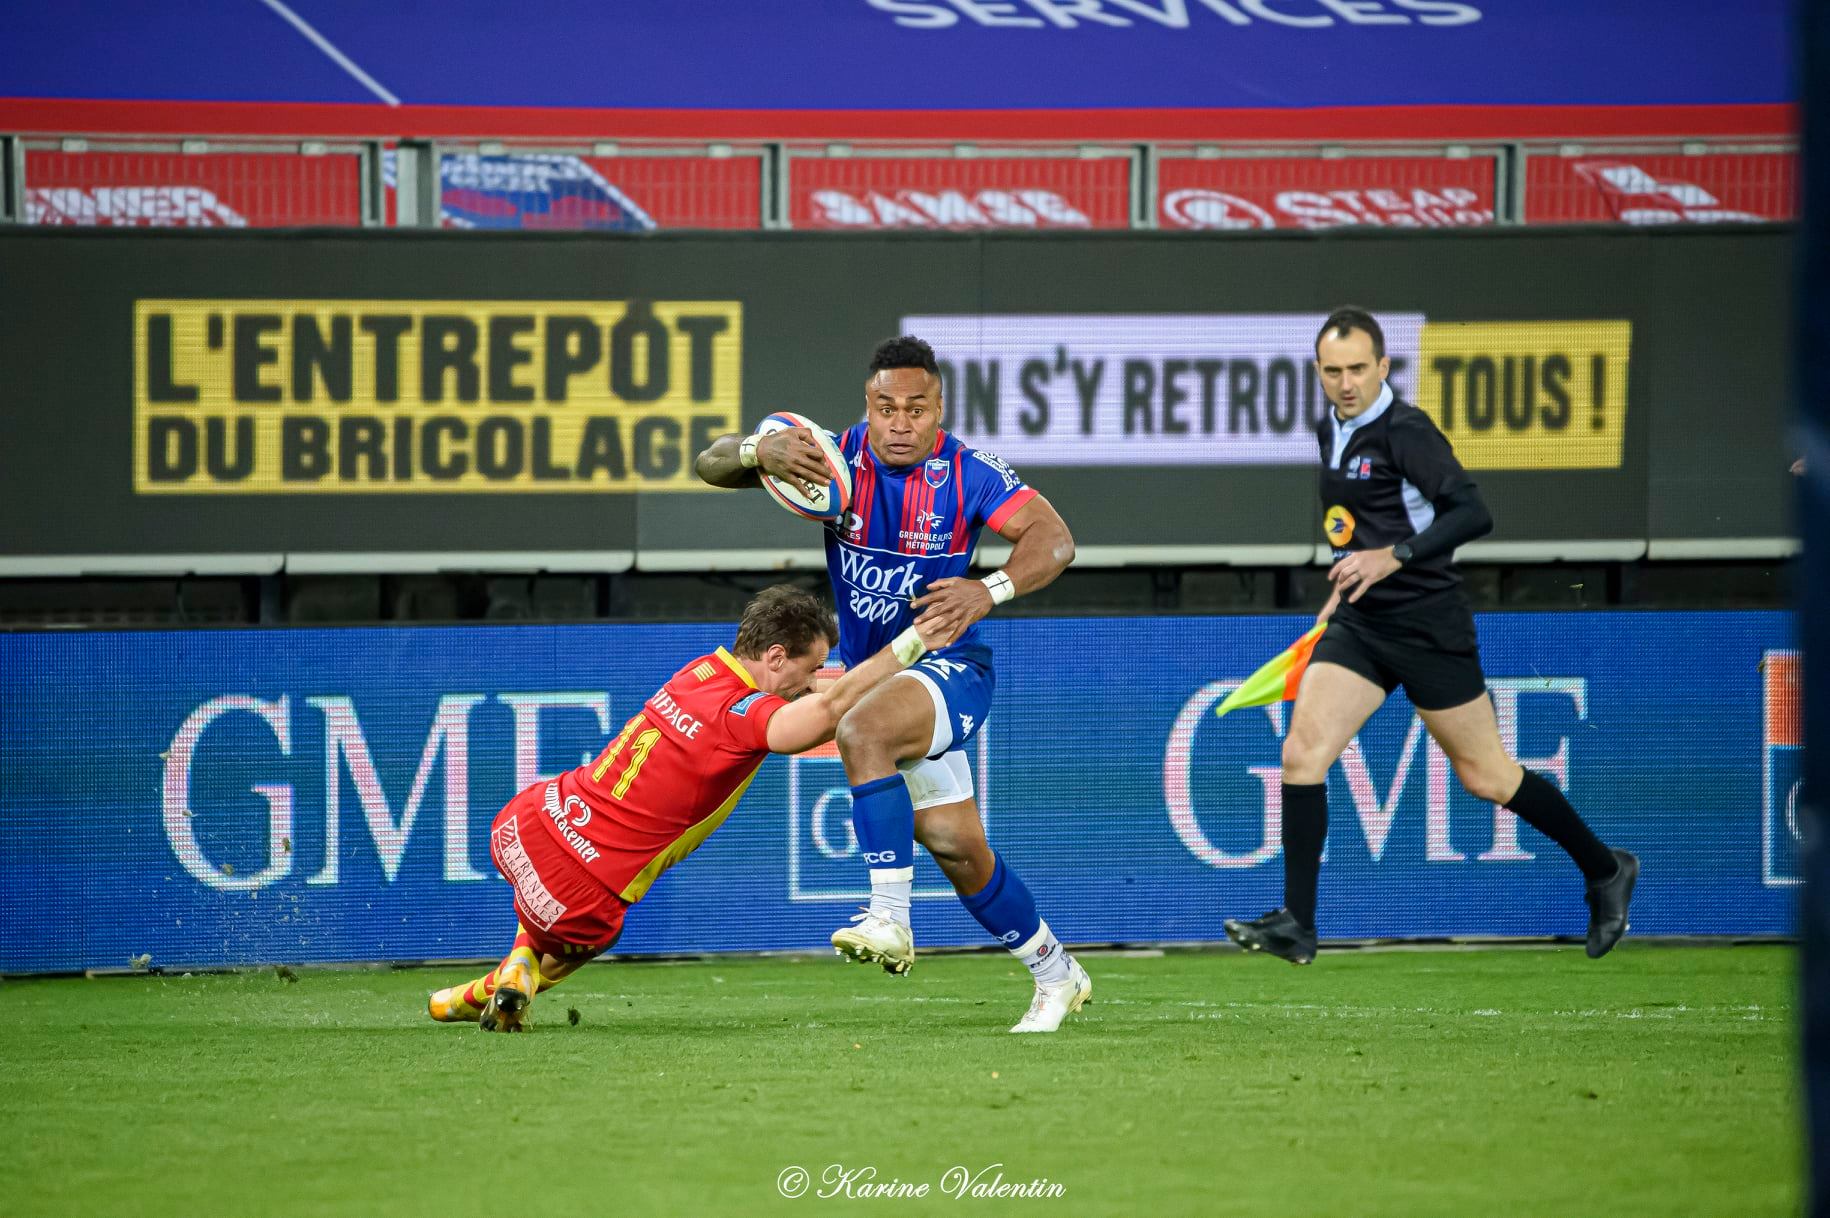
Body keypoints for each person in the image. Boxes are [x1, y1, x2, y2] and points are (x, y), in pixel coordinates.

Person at [694, 336, 1090, 1033]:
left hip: (949, 670)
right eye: (886, 408)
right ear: (867, 410)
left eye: (916, 408)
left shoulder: (968, 473)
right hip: (883, 670)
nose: (900, 422)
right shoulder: (831, 459)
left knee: (861, 728)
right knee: (954, 847)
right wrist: (760, 452)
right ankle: (1058, 975)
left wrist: (988, 589)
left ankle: (890, 918)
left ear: (940, 409)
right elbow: (708, 464)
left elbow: (1053, 538)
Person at [1224, 307, 1638, 966]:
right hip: (1363, 623)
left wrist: (1395, 556)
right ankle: (1298, 925)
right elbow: (1355, 524)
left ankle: (1605, 868)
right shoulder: (1330, 427)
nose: (1347, 382)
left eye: (1359, 368)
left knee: (1488, 776)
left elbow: (1473, 511)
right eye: (1333, 371)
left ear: (1384, 366)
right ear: (1319, 373)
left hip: (1427, 625)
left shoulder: (1407, 431)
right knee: (1302, 752)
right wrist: (1344, 587)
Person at [428, 585, 949, 1031]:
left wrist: (839, 681)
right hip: (587, 889)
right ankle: (495, 981)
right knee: (573, 942)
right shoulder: (743, 715)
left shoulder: (701, 670)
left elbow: (821, 696)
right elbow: (827, 713)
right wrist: (916, 641)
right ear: (773, 657)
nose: (812, 681)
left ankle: (489, 978)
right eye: (810, 668)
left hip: (528, 822)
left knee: (546, 909)